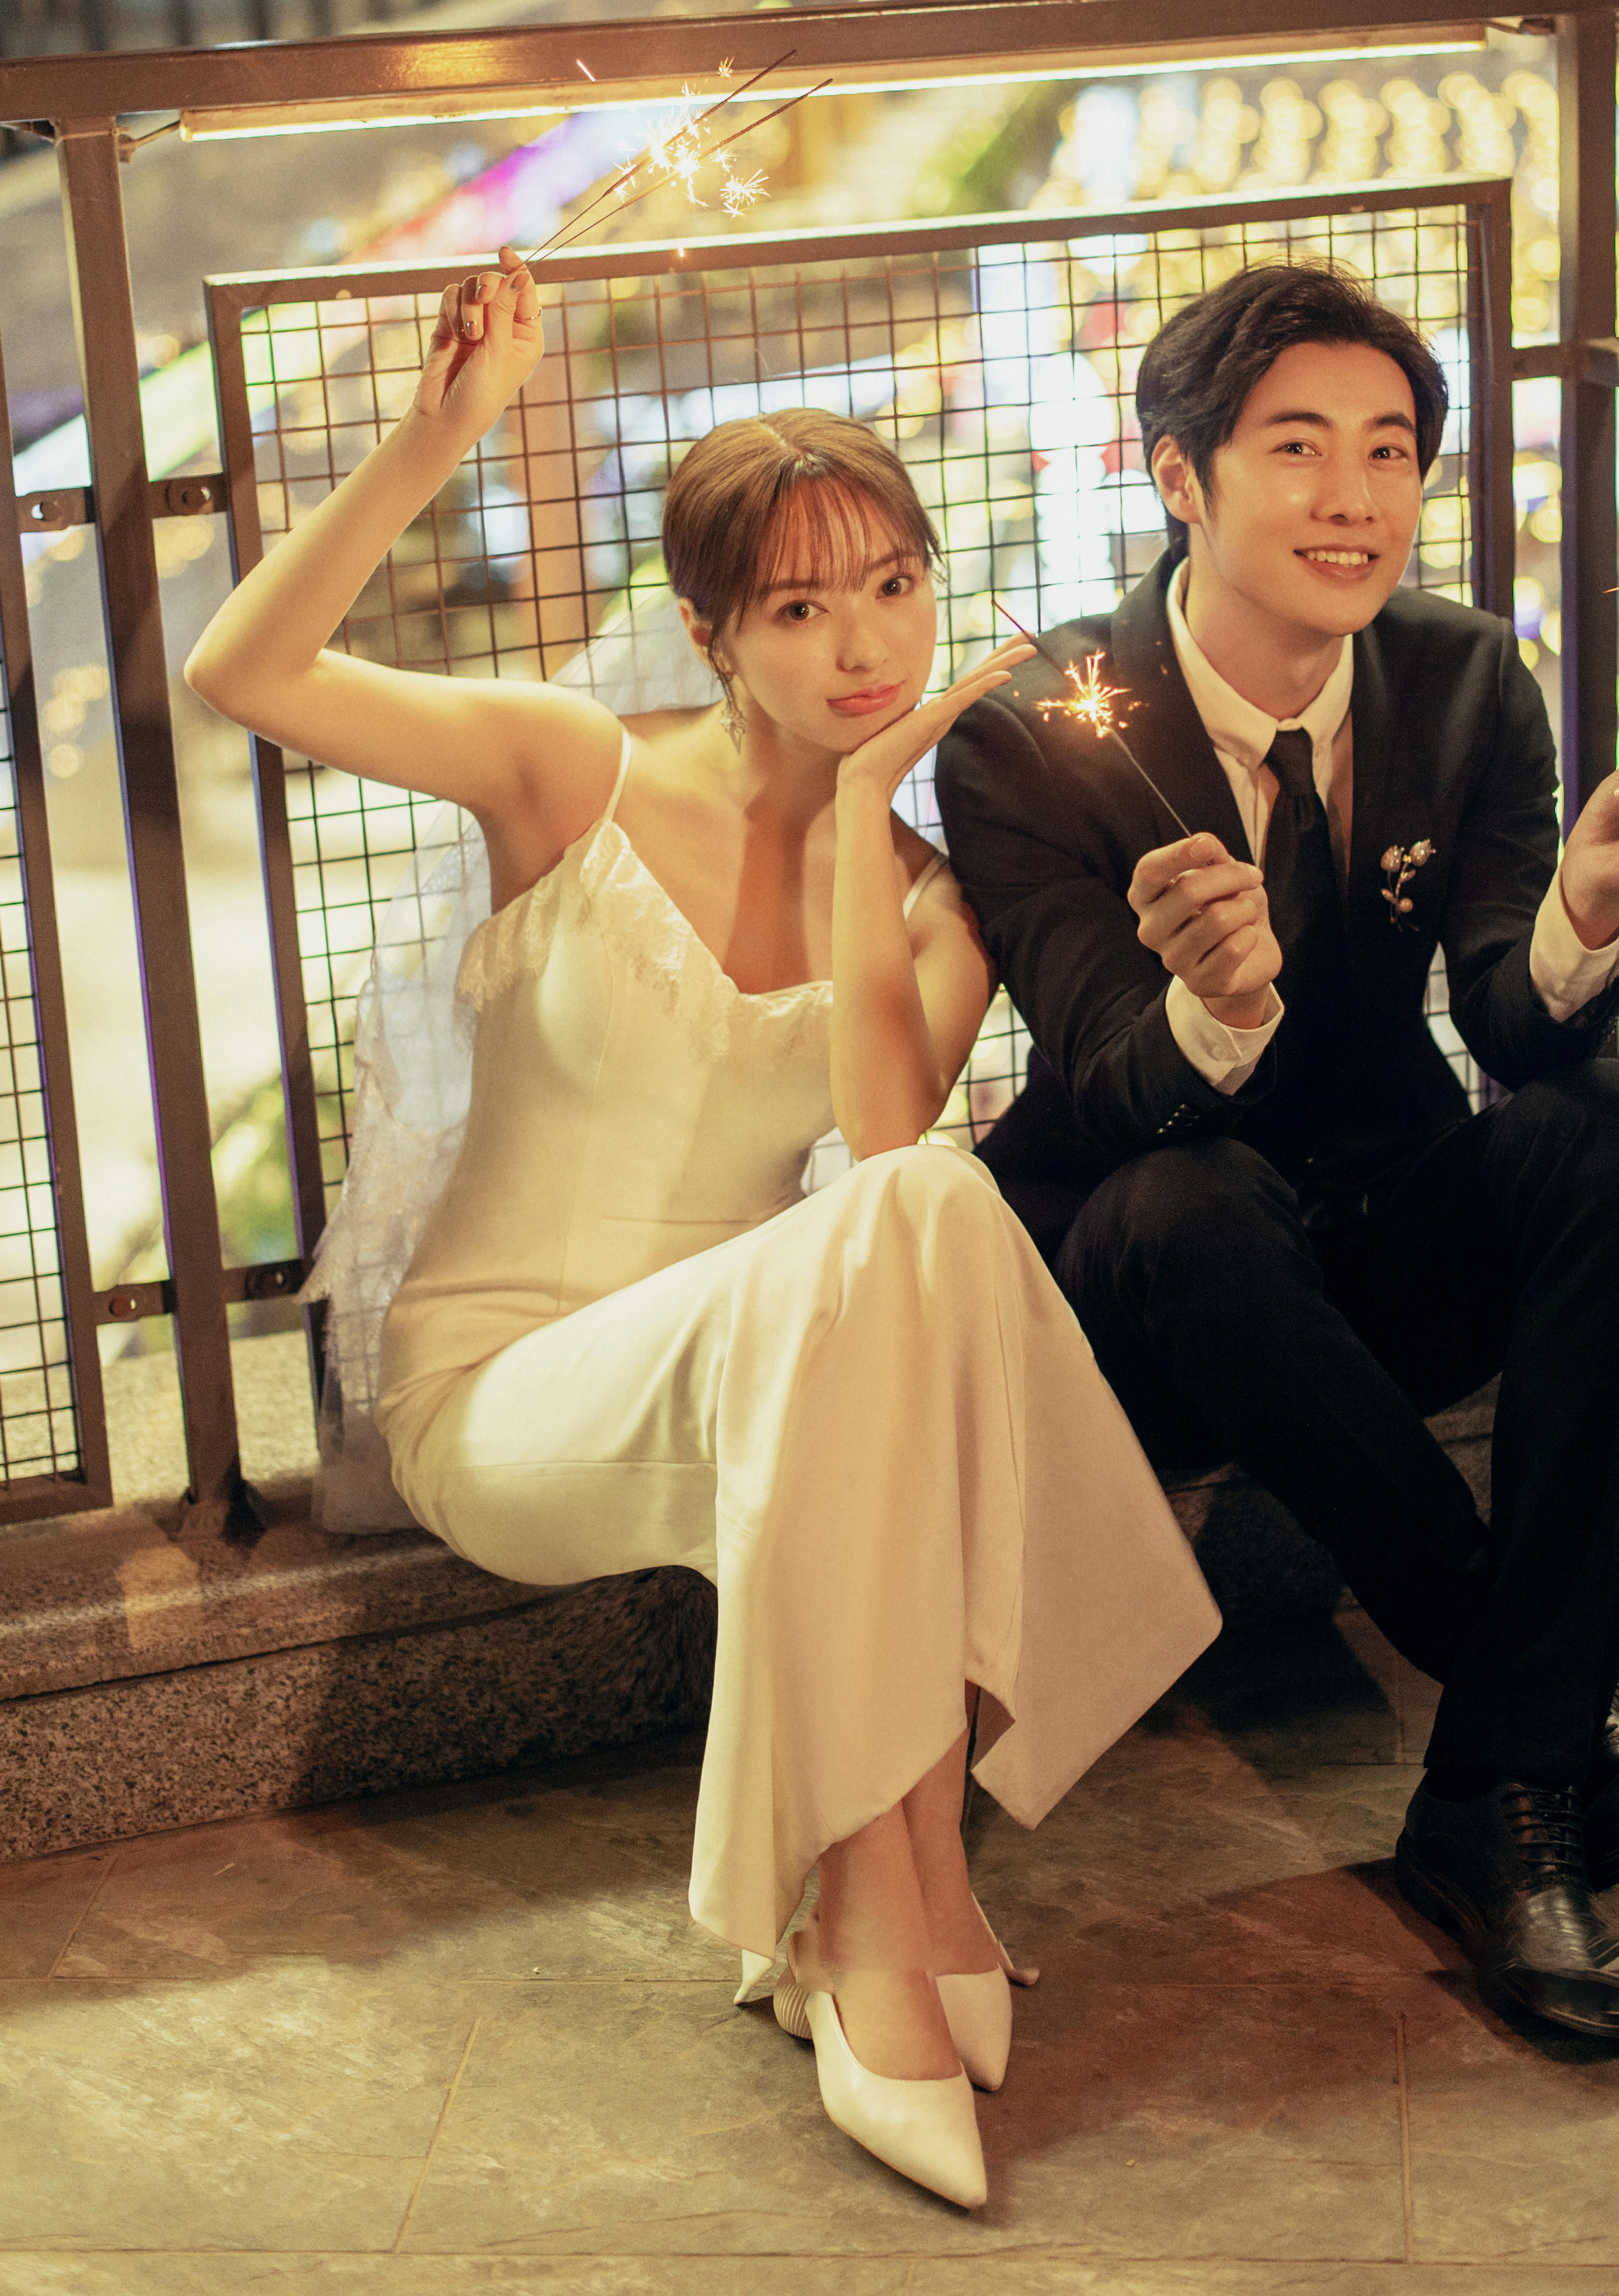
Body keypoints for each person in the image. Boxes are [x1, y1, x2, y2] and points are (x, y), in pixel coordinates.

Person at [186, 247, 1219, 2210]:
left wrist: (866, 827)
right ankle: (890, 1904)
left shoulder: (935, 899)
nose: (862, 645)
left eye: (893, 587)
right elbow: (246, 674)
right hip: (508, 1401)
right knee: (882, 1280)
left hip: (767, 1386)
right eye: (801, 608)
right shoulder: (569, 771)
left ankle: (878, 1903)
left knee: (917, 1213)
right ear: (712, 635)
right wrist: (432, 439)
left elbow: (887, 1150)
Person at [937, 259, 1619, 2047]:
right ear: (1180, 475)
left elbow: (1516, 1032)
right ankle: (1542, 1736)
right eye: (1297, 446)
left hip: (1373, 1245)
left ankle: (1489, 1790)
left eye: (1389, 450)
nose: (1353, 496)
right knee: (1191, 1201)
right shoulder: (1035, 729)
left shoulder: (1463, 676)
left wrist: (1587, 902)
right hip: (1150, 1292)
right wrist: (1213, 1006)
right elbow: (1105, 1083)